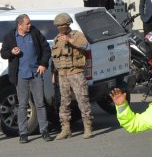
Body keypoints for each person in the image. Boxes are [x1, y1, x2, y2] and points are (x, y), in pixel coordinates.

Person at [1, 14, 53, 142]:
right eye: (27, 23)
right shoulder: (10, 37)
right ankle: (23, 133)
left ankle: (44, 131)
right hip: (20, 76)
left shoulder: (34, 33)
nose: (30, 25)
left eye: (29, 23)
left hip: (35, 74)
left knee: (40, 103)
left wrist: (43, 64)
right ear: (20, 25)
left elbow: (46, 49)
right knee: (22, 105)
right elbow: (3, 53)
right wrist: (11, 52)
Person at [51, 12, 92, 140]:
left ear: (68, 24)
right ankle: (65, 129)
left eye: (62, 25)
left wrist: (70, 40)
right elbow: (54, 58)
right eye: (58, 25)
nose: (60, 27)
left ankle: (88, 127)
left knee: (82, 100)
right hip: (62, 74)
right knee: (64, 103)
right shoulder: (57, 39)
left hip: (76, 72)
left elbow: (86, 46)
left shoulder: (77, 35)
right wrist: (54, 74)